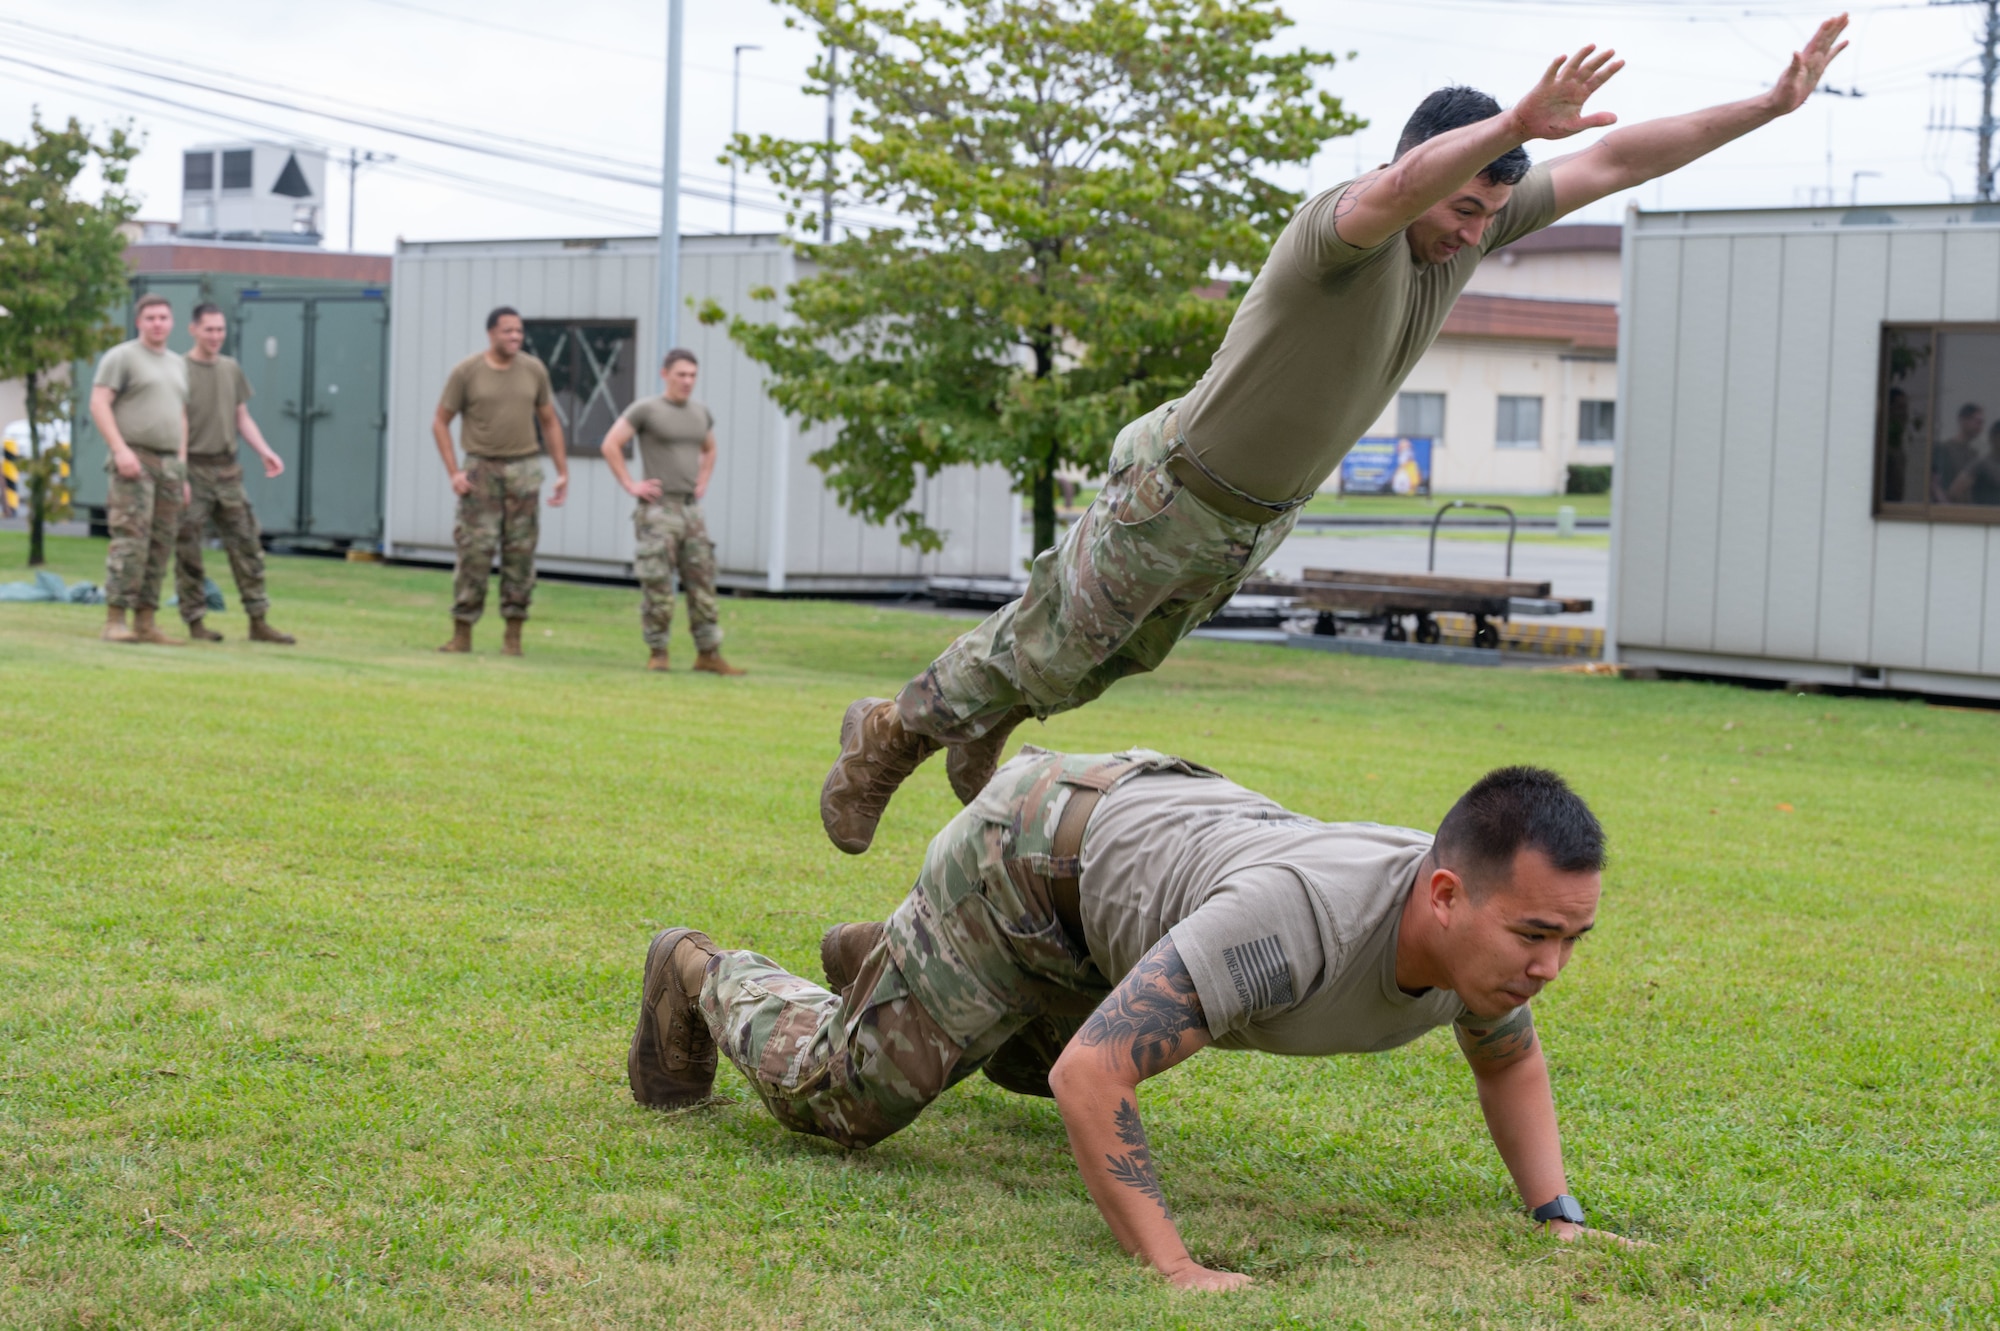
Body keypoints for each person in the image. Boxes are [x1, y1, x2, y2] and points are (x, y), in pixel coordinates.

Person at [817, 17, 1853, 855]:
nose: (1466, 230)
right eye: (1459, 205)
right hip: (1172, 489)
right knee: (1046, 638)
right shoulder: (1341, 231)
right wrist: (1512, 120)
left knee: (1093, 663)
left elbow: (1619, 155)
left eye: (1486, 215)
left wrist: (1767, 104)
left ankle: (987, 713)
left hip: (1243, 520)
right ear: (1422, 168)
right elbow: (1399, 192)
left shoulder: (1475, 221)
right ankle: (886, 735)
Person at [630, 749, 1628, 1289]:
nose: (1548, 966)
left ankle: (903, 963)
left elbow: (1507, 1063)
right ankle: (704, 968)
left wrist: (1556, 1217)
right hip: (1026, 868)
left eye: (1570, 940)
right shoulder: (1294, 924)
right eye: (1534, 934)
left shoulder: (1479, 947)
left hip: (1121, 877)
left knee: (1020, 1063)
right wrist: (1175, 1265)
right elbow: (1093, 1077)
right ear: (1444, 893)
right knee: (846, 1100)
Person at [432, 306, 568, 656]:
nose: (515, 337)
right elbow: (440, 422)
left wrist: (562, 471)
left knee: (520, 556)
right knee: (474, 554)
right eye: (508, 331)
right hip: (481, 471)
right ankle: (462, 633)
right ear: (491, 333)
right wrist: (454, 473)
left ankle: (513, 636)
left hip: (524, 470)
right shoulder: (467, 372)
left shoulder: (533, 370)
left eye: (519, 332)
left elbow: (550, 421)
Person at [598, 348, 743, 675]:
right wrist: (630, 484)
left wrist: (703, 479)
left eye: (693, 375)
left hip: (691, 512)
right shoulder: (646, 409)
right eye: (681, 374)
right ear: (665, 374)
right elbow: (610, 444)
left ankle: (708, 653)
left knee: (702, 583)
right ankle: (658, 652)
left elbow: (710, 448)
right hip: (658, 511)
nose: (687, 381)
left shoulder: (700, 413)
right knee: (658, 584)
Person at [173, 303, 295, 645]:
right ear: (193, 329)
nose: (215, 336)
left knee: (247, 544)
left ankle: (258, 620)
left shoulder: (230, 368)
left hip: (226, 470)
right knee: (188, 549)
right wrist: (180, 471)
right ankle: (196, 620)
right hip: (194, 467)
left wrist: (265, 451)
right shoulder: (179, 369)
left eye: (220, 330)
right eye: (209, 329)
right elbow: (179, 421)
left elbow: (242, 416)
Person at [92, 293, 189, 645]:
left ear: (172, 322)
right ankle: (115, 619)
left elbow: (180, 416)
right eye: (151, 318)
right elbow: (99, 402)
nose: (158, 324)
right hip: (135, 458)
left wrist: (181, 466)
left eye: (163, 317)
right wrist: (120, 450)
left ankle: (146, 620)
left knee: (161, 543)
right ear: (139, 322)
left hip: (169, 464)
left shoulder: (177, 364)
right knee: (131, 539)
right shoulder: (122, 357)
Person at [1932, 402, 1984, 504]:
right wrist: (1946, 505)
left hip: (1967, 512)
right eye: (1977, 422)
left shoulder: (1974, 454)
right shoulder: (1944, 448)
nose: (1980, 427)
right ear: (1963, 420)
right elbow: (1933, 484)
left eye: (1982, 423)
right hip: (1946, 512)